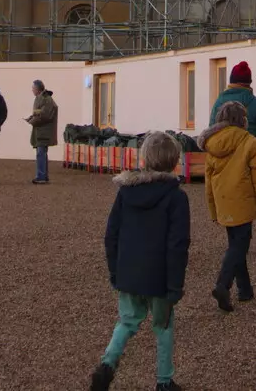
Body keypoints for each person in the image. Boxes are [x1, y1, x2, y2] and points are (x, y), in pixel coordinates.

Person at [90, 130, 189, 391]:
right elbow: (178, 245)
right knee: (163, 326)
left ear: (143, 159)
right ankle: (164, 381)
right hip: (160, 276)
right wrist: (176, 285)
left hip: (129, 272)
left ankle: (107, 364)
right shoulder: (176, 198)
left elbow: (111, 235)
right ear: (174, 162)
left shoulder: (126, 193)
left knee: (126, 322)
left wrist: (115, 272)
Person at [201, 100, 256, 311]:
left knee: (236, 244)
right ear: (242, 120)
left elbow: (208, 181)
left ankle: (245, 290)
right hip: (243, 201)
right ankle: (223, 284)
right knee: (239, 246)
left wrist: (213, 210)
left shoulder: (212, 144)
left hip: (223, 202)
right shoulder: (251, 143)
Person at [209, 60, 256, 159]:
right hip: (250, 159)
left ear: (231, 81)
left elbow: (211, 132)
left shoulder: (219, 102)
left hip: (223, 161)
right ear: (249, 82)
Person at [24, 78, 58, 184]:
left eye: (33, 88)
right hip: (41, 131)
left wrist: (32, 121)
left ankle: (41, 176)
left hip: (44, 132)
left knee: (41, 154)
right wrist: (31, 118)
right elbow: (38, 113)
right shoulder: (42, 98)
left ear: (38, 89)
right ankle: (42, 175)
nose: (32, 90)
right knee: (41, 153)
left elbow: (45, 115)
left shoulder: (46, 99)